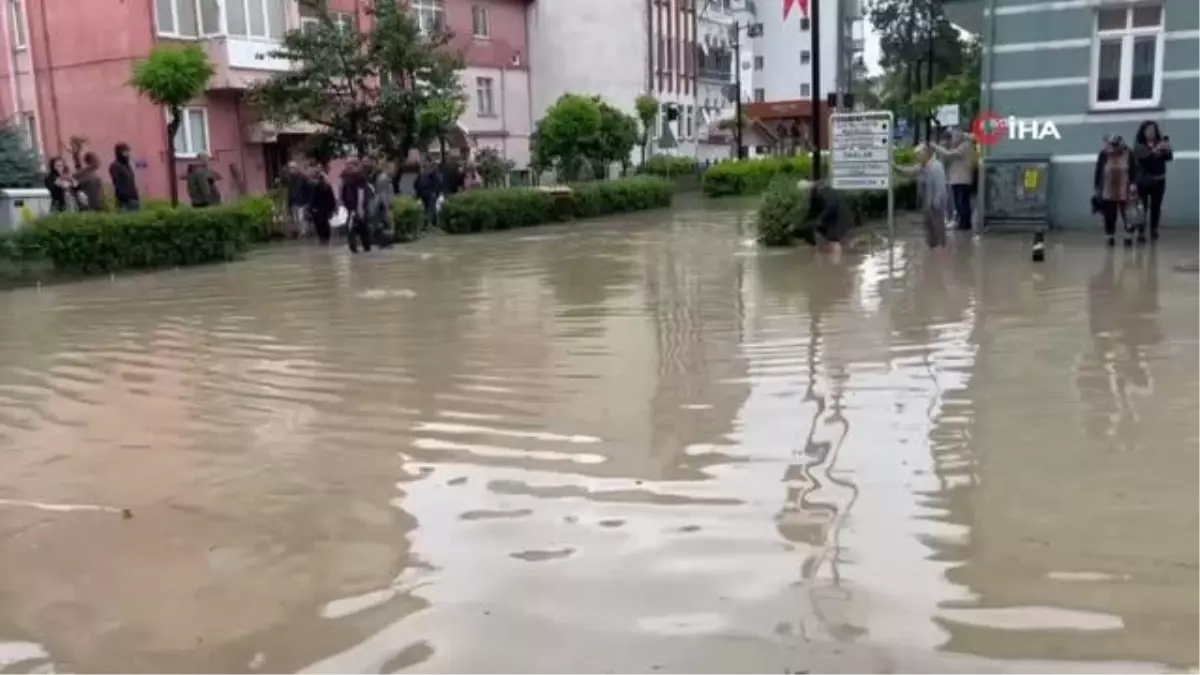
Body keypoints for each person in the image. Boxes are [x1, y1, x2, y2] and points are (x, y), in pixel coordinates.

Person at [894, 145, 948, 250]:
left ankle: (942, 252)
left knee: (938, 228)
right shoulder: (922, 166)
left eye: (919, 154)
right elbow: (908, 171)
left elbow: (940, 187)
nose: (917, 157)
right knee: (929, 229)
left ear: (926, 154)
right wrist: (894, 167)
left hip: (936, 204)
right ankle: (933, 251)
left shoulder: (936, 166)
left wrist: (936, 202)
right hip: (927, 203)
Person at [1094, 134, 1138, 248]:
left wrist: (1134, 183)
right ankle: (1110, 237)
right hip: (1108, 189)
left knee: (1128, 215)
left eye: (1112, 146)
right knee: (1109, 215)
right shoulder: (1103, 154)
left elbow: (1134, 170)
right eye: (1108, 145)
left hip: (1125, 188)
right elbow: (1099, 171)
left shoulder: (1129, 153)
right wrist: (1097, 188)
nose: (1110, 148)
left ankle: (1128, 236)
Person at [1133, 120, 1172, 243]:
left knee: (1156, 207)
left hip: (1159, 180)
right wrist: (1156, 151)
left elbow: (1169, 157)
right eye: (1148, 130)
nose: (1151, 133)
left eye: (1153, 130)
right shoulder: (1139, 145)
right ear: (1143, 132)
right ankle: (1141, 231)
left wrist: (1165, 149)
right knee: (1142, 207)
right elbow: (1145, 159)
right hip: (1143, 181)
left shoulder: (1160, 143)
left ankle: (1154, 229)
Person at [932, 128, 976, 231]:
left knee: (962, 203)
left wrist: (936, 147)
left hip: (962, 179)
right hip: (958, 179)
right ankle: (963, 223)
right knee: (959, 203)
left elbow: (949, 154)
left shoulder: (965, 146)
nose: (952, 139)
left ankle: (965, 224)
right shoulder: (961, 146)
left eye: (954, 136)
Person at [799, 179, 850, 257]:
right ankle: (824, 257)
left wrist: (820, 218)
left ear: (809, 189)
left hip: (838, 216)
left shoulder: (824, 192)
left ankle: (837, 261)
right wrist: (803, 223)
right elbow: (812, 211)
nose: (805, 194)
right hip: (828, 217)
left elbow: (831, 206)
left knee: (833, 239)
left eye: (805, 192)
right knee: (821, 235)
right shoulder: (814, 194)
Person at [340, 159, 372, 253]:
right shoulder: (346, 177)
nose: (347, 167)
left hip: (357, 208)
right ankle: (364, 251)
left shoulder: (359, 177)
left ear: (355, 166)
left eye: (350, 165)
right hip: (352, 208)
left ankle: (360, 250)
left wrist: (359, 209)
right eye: (346, 165)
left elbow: (361, 193)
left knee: (353, 229)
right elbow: (342, 190)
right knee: (360, 229)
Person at [371, 159, 396, 246]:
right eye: (393, 168)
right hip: (382, 207)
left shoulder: (383, 178)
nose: (394, 170)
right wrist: (387, 209)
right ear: (388, 168)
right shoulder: (384, 179)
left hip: (380, 206)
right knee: (386, 227)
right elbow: (383, 195)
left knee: (381, 227)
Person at [308, 168, 337, 245]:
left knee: (322, 224)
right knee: (319, 224)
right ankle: (323, 240)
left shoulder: (325, 186)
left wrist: (333, 208)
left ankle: (325, 240)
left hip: (323, 208)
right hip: (317, 208)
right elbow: (311, 198)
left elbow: (331, 197)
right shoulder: (311, 185)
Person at [284, 161, 312, 237]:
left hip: (302, 201)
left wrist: (308, 201)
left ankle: (304, 233)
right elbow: (289, 191)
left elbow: (309, 189)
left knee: (301, 218)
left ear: (296, 168)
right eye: (290, 168)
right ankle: (301, 232)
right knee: (296, 219)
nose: (291, 170)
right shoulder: (290, 179)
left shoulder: (303, 178)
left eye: (293, 168)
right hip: (294, 201)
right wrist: (289, 203)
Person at [109, 142, 139, 211]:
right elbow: (117, 182)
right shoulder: (115, 166)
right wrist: (124, 195)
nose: (128, 154)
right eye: (125, 151)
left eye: (128, 151)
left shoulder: (127, 166)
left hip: (133, 197)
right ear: (119, 152)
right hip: (124, 200)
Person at [414, 157, 443, 230]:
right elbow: (416, 183)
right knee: (424, 209)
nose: (425, 163)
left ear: (430, 163)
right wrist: (418, 191)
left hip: (430, 193)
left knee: (431, 209)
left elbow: (437, 183)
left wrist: (435, 192)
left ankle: (434, 223)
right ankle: (425, 224)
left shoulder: (433, 172)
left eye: (426, 162)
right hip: (422, 193)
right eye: (424, 162)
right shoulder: (421, 172)